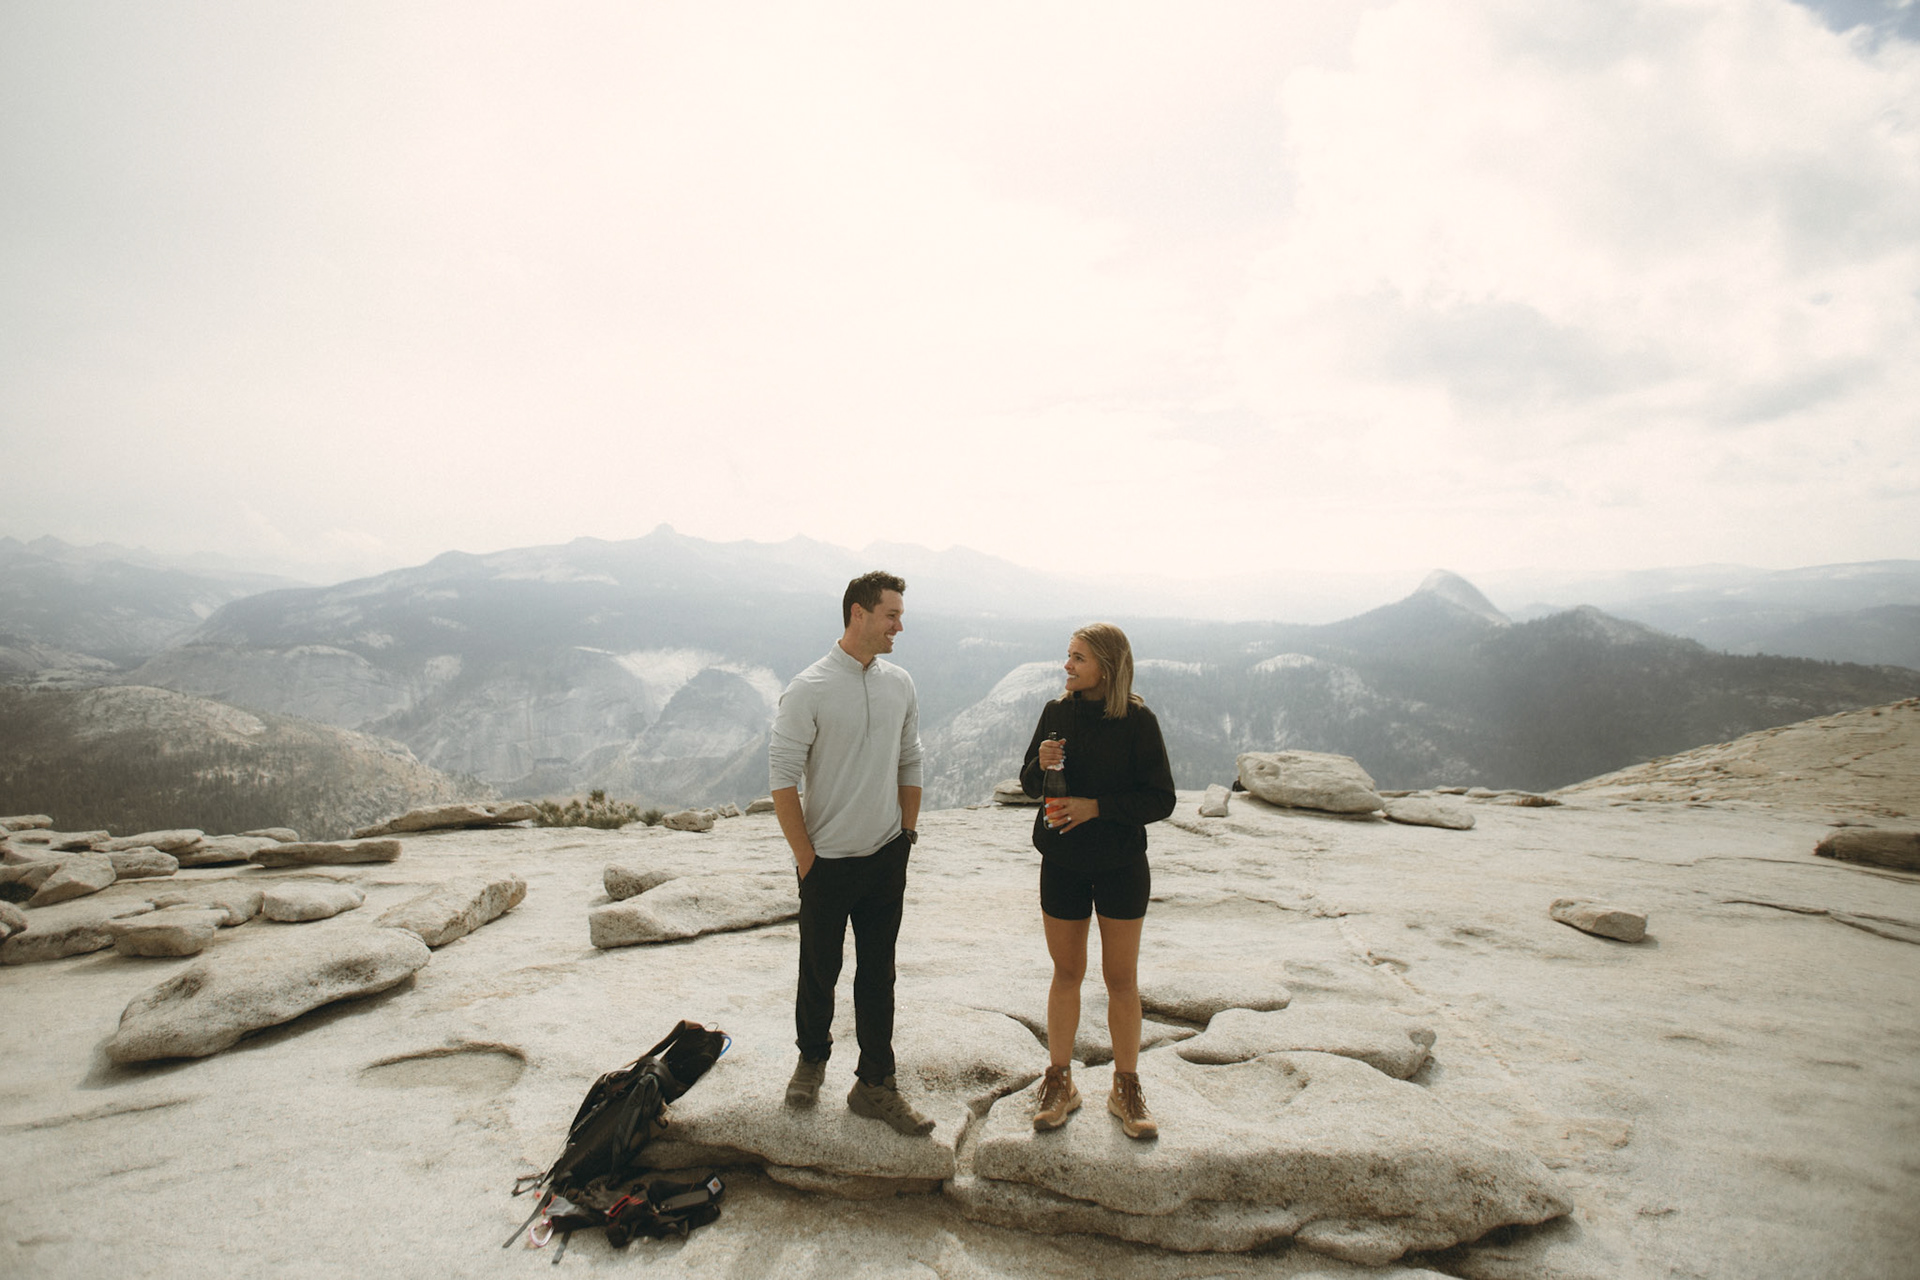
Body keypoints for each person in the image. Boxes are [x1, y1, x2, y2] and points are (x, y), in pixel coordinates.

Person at [768, 570, 933, 1136]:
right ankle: (812, 1059)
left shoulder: (900, 683)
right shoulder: (809, 688)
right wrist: (807, 860)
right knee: (820, 968)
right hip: (828, 861)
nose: (899, 625)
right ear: (858, 614)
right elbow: (783, 780)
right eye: (891, 615)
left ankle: (875, 1083)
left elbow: (910, 759)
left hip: (887, 853)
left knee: (878, 973)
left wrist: (906, 836)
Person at [1018, 622, 1175, 1138]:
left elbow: (1161, 799)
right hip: (1061, 860)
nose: (1067, 665)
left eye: (1078, 658)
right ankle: (1059, 1080)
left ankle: (1125, 1086)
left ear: (1106, 666)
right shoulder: (1056, 713)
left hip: (1120, 865)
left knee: (1121, 980)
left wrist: (1096, 808)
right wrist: (1039, 767)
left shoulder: (1137, 720)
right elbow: (1027, 784)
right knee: (1066, 973)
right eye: (1068, 655)